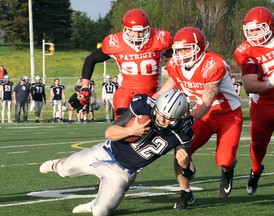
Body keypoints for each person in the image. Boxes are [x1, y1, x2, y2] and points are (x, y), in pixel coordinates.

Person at [39, 89, 194, 216]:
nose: (161, 120)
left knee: (100, 211)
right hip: (104, 153)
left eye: (168, 118)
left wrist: (185, 166)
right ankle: (55, 164)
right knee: (64, 169)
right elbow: (109, 132)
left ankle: (95, 203)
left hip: (122, 174)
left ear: (178, 119)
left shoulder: (181, 134)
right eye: (160, 114)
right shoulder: (143, 107)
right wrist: (131, 130)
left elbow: (190, 173)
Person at [153, 27, 243, 209]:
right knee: (180, 152)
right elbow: (168, 87)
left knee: (224, 159)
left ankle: (228, 170)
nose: (181, 53)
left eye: (187, 48)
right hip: (203, 116)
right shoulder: (175, 64)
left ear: (199, 47)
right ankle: (186, 193)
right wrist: (149, 101)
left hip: (227, 114)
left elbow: (208, 101)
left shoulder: (213, 64)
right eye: (179, 49)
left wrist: (190, 119)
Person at [234, 6, 274, 204]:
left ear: (271, 26)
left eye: (258, 29)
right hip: (263, 101)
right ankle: (256, 170)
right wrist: (269, 83)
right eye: (250, 29)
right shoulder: (245, 50)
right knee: (258, 146)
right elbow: (249, 85)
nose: (253, 34)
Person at [79, 8, 173, 120]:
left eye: (141, 31)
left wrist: (172, 67)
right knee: (122, 125)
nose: (137, 36)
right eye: (133, 31)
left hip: (153, 93)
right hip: (126, 92)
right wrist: (85, 87)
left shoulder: (159, 39)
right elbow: (91, 59)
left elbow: (176, 60)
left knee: (150, 127)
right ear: (125, 29)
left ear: (148, 29)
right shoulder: (115, 43)